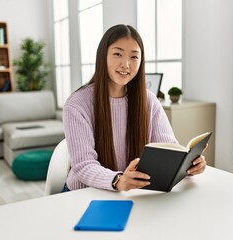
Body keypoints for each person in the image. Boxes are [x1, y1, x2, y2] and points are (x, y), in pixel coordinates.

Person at [62, 24, 206, 192]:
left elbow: (168, 150)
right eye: (117, 54)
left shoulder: (148, 100)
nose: (126, 64)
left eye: (134, 57)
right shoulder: (77, 104)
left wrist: (189, 166)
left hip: (131, 193)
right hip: (82, 193)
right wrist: (118, 180)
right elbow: (83, 165)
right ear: (103, 56)